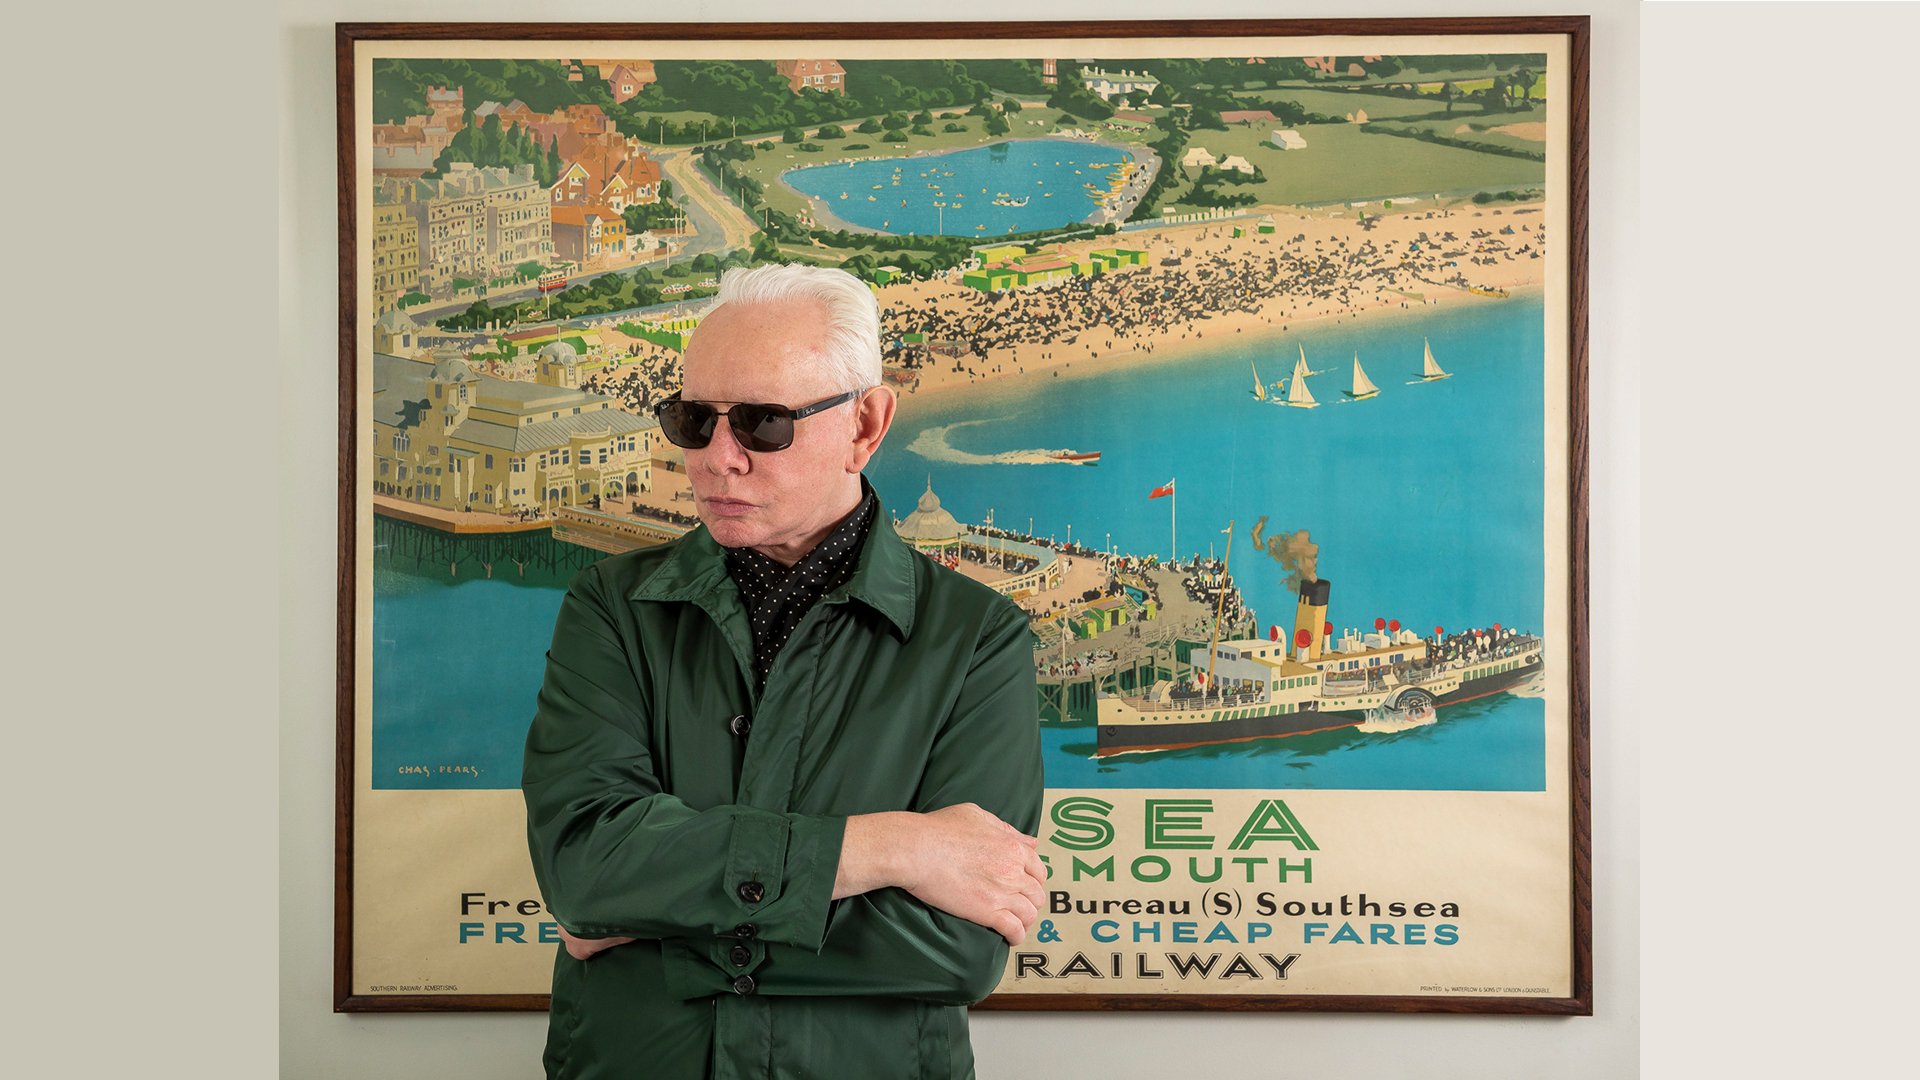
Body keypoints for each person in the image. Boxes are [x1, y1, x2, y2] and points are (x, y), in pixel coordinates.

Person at [522, 263, 1046, 1080]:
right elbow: (586, 872)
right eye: (694, 420)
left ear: (866, 424)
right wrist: (889, 847)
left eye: (764, 425)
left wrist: (673, 929)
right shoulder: (612, 608)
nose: (718, 459)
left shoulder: (979, 639)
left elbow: (958, 951)